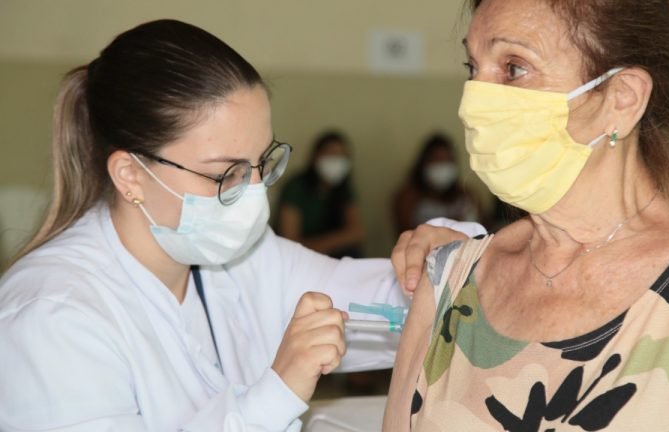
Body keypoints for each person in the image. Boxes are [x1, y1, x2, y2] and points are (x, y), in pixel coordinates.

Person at [0, 20, 484, 432]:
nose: (254, 191)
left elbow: (393, 306)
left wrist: (452, 262)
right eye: (225, 174)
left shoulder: (243, 260)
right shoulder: (52, 317)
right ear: (130, 176)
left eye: (260, 163)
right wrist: (277, 392)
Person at [385, 0, 669, 431]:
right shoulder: (449, 280)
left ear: (622, 98)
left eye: (514, 68)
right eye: (472, 67)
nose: (474, 100)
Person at [277, 130, 365, 258]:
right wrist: (335, 241)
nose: (336, 161)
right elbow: (289, 240)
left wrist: (322, 245)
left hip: (329, 256)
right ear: (315, 156)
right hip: (299, 258)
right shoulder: (296, 187)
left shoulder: (344, 189)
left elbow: (357, 233)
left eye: (342, 156)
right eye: (331, 154)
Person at [393, 132, 484, 234]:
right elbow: (405, 234)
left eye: (448, 160)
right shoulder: (408, 198)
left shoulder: (467, 195)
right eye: (437, 159)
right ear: (424, 163)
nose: (443, 166)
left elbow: (487, 228)